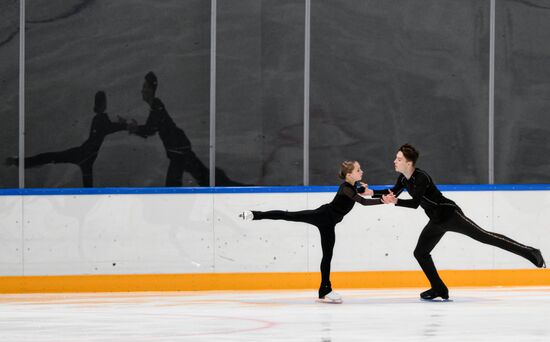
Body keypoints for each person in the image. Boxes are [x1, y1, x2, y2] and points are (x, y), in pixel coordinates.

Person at [375, 143, 546, 300]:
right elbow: (391, 192)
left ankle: (530, 252)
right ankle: (439, 289)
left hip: (450, 215)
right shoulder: (404, 179)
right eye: (396, 158)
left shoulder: (421, 178)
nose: (395, 161)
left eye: (399, 159)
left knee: (484, 236)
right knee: (420, 253)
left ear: (409, 163)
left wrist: (395, 202)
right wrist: (369, 192)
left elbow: (414, 204)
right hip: (436, 220)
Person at [239, 161, 383, 303]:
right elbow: (362, 201)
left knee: (327, 255)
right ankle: (255, 214)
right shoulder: (346, 187)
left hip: (329, 223)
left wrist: (365, 191)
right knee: (288, 215)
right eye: (358, 170)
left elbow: (358, 193)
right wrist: (383, 201)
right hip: (322, 216)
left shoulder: (353, 186)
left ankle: (324, 290)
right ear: (349, 174)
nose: (362, 171)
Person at [128, 71, 244, 187]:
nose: (142, 90)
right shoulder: (156, 106)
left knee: (173, 187)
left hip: (178, 151)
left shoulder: (157, 106)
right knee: (204, 179)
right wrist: (135, 128)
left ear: (151, 90)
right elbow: (151, 128)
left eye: (144, 87)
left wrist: (134, 128)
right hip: (180, 149)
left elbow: (150, 129)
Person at [5, 91, 127, 187]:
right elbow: (110, 128)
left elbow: (109, 128)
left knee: (52, 157)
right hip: (84, 155)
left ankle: (20, 162)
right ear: (104, 104)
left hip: (85, 156)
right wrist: (125, 125)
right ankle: (20, 162)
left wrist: (122, 125)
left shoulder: (98, 118)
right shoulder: (102, 119)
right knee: (53, 157)